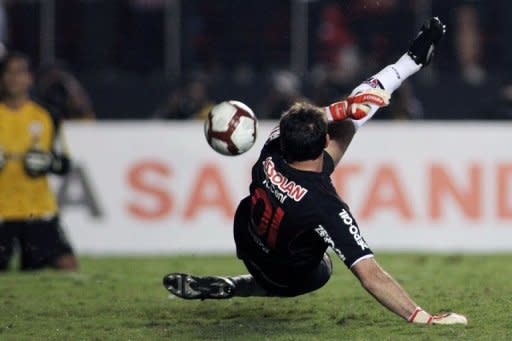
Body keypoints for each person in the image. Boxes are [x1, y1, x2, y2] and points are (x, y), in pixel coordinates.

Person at [163, 18, 467, 325]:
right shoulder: (324, 206)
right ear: (323, 140)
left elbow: (300, 119)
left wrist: (344, 108)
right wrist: (424, 318)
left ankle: (410, 61)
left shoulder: (274, 145)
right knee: (322, 267)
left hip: (247, 239)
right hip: (283, 270)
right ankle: (235, 287)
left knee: (350, 119)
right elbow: (370, 275)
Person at [0, 52, 78, 271]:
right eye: (9, 73)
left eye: (20, 72)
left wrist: (47, 163)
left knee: (67, 267)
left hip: (37, 209)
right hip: (1, 211)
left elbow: (64, 164)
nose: (14, 78)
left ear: (29, 78)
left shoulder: (46, 115)